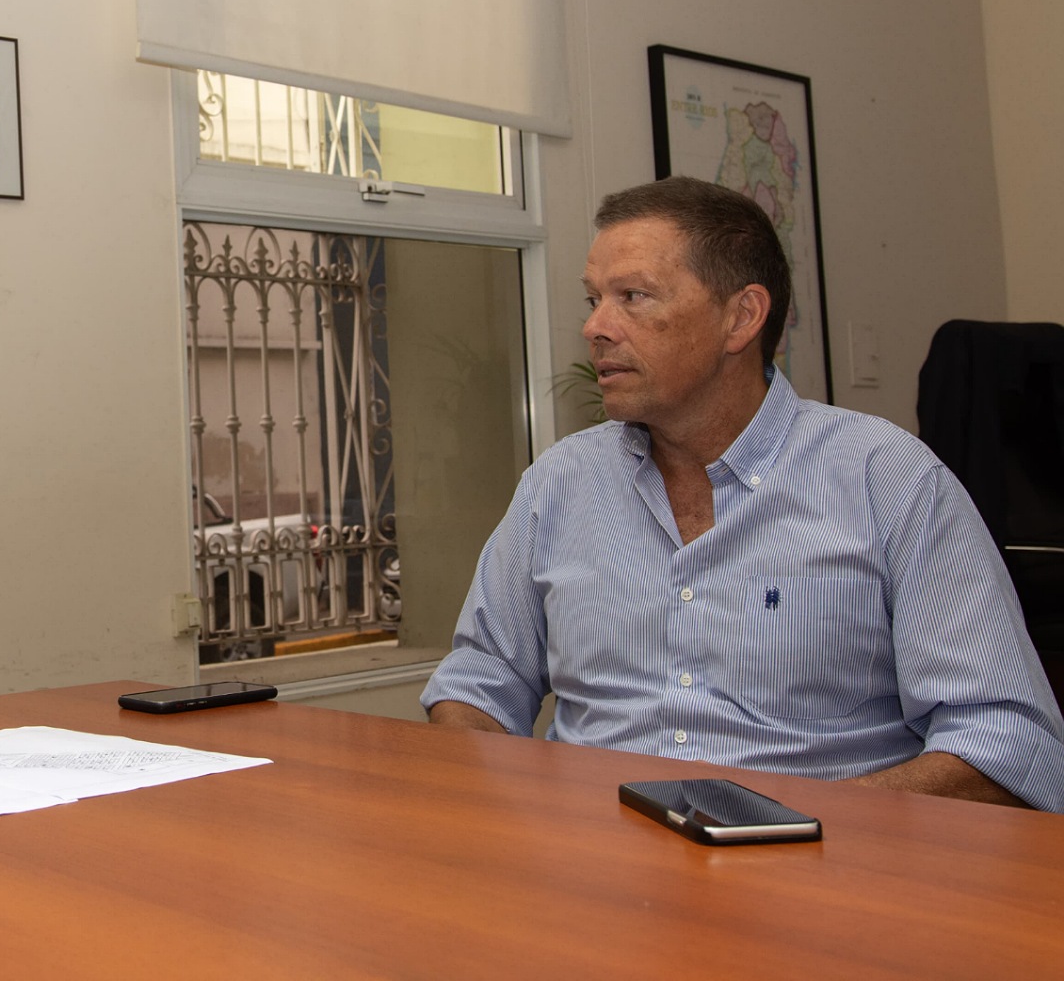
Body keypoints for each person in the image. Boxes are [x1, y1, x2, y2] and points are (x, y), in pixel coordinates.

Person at [422, 176, 1064, 811]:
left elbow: (1007, 741)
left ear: (741, 317)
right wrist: (499, 805)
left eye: (633, 296)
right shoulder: (559, 483)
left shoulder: (886, 479)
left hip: (823, 856)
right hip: (593, 852)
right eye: (594, 298)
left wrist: (801, 823)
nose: (595, 326)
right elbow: (480, 681)